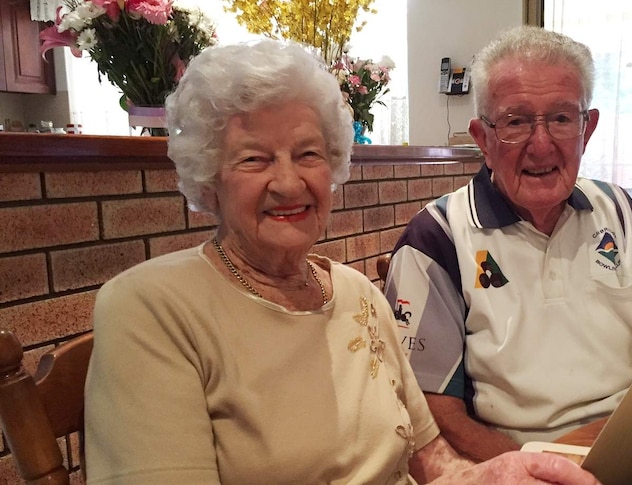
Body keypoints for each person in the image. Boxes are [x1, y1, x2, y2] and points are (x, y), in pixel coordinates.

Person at [83, 39, 600, 485]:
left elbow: (433, 461)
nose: (289, 183)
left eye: (308, 154)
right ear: (207, 179)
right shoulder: (149, 309)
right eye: (254, 159)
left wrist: (492, 473)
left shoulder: (355, 293)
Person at [383, 25, 632, 462]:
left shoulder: (618, 210)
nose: (542, 146)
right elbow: (433, 410)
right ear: (483, 138)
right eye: (516, 122)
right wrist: (534, 469)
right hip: (521, 461)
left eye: (561, 118)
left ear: (587, 128)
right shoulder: (435, 237)